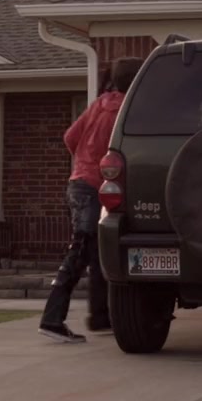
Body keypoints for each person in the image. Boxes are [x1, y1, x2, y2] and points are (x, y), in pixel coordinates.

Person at [39, 56, 145, 343]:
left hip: (78, 184)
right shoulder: (126, 109)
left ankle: (100, 318)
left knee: (99, 255)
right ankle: (52, 320)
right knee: (79, 254)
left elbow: (70, 137)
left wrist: (85, 162)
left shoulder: (100, 104)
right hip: (94, 190)